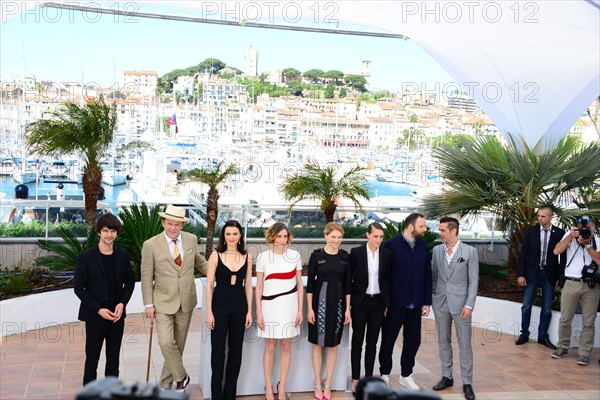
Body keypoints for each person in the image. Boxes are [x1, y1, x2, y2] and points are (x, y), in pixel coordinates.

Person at [140, 205, 208, 391]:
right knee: (166, 342)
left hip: (186, 301)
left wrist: (223, 273)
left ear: (182, 226)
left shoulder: (191, 240)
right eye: (170, 223)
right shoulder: (150, 245)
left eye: (177, 224)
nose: (173, 228)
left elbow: (199, 262)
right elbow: (146, 276)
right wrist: (148, 304)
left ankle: (164, 384)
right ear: (163, 222)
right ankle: (181, 376)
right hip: (161, 302)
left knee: (177, 346)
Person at [74, 213, 135, 385]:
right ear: (99, 232)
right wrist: (98, 309)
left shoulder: (122, 255)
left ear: (117, 233)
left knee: (113, 361)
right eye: (106, 230)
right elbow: (79, 288)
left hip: (116, 318)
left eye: (113, 231)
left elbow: (129, 283)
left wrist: (122, 304)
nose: (109, 234)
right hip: (95, 318)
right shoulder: (86, 257)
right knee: (91, 361)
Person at [378, 213, 431, 390]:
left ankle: (406, 375)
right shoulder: (390, 245)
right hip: (395, 304)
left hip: (415, 304)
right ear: (411, 227)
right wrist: (385, 302)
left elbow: (427, 275)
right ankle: (384, 374)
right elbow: (382, 277)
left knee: (413, 340)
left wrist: (426, 302)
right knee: (388, 340)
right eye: (422, 226)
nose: (425, 229)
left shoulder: (423, 246)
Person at [431, 217, 478, 400]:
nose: (440, 233)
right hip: (440, 303)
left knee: (464, 343)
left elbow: (473, 280)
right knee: (443, 341)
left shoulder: (470, 252)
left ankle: (467, 382)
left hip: (461, 306)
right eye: (440, 230)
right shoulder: (436, 251)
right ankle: (447, 377)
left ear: (453, 231)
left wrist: (469, 304)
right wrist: (433, 297)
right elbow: (434, 276)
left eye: (443, 230)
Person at [205, 220, 253, 400]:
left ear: (240, 235)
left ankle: (229, 394)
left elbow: (248, 284)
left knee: (236, 351)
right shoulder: (215, 256)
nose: (231, 237)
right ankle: (216, 395)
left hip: (239, 305)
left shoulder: (247, 256)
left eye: (235, 234)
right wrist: (209, 312)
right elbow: (209, 285)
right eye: (228, 234)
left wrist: (249, 311)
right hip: (219, 306)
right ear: (223, 236)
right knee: (218, 352)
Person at [256, 223, 304, 400]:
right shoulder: (262, 257)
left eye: (285, 236)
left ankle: (282, 386)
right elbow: (259, 286)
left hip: (290, 306)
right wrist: (258, 312)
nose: (282, 240)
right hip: (269, 307)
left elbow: (299, 284)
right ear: (272, 237)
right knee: (270, 346)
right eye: (279, 236)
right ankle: (268, 386)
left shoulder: (295, 255)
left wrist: (300, 310)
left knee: (286, 345)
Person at [307, 222, 351, 400]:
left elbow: (348, 285)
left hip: (339, 305)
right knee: (317, 344)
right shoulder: (316, 256)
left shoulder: (345, 257)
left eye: (340, 237)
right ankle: (317, 383)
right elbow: (310, 284)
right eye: (333, 237)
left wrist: (347, 309)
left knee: (333, 345)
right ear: (326, 236)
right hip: (319, 304)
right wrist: (309, 308)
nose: (336, 240)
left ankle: (328, 384)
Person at [551, 216, 600, 366]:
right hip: (571, 282)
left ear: (593, 227)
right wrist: (571, 237)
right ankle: (562, 347)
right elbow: (556, 251)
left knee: (589, 321)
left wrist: (587, 245)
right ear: (576, 227)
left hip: (591, 285)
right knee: (565, 318)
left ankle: (584, 353)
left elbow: (599, 260)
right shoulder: (570, 235)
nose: (585, 229)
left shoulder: (597, 240)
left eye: (588, 226)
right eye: (582, 226)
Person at [349, 222, 391, 395]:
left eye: (381, 237)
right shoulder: (356, 253)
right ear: (367, 235)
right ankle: (355, 379)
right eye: (375, 236)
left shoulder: (387, 254)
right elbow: (348, 279)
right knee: (357, 341)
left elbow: (388, 280)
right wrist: (350, 303)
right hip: (360, 302)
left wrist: (387, 303)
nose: (379, 240)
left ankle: (367, 378)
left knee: (372, 343)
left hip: (378, 303)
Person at [515, 206, 565, 349]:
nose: (539, 218)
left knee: (547, 308)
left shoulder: (559, 233)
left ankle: (543, 336)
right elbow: (523, 254)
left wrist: (559, 278)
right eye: (538, 216)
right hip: (532, 273)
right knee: (526, 306)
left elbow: (563, 258)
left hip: (550, 275)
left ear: (550, 217)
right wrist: (521, 274)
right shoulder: (531, 232)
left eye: (543, 216)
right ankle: (524, 334)